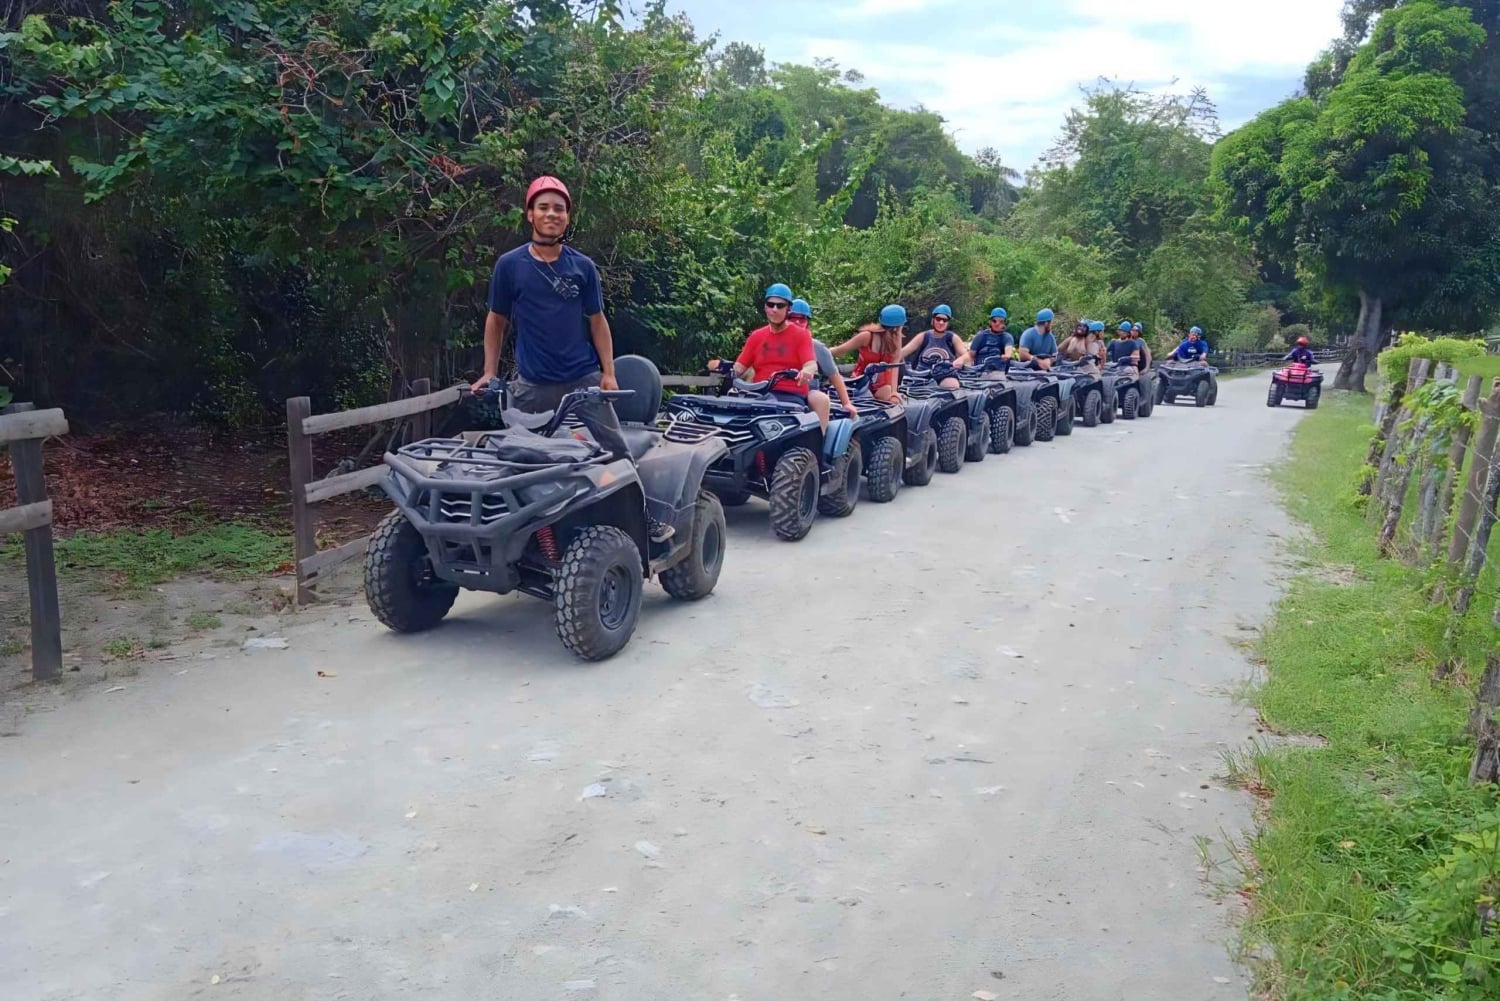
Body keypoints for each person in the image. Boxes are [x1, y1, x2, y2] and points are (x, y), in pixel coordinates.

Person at [474, 175, 626, 452]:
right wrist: (489, 372)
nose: (552, 214)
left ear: (567, 218)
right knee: (521, 456)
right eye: (543, 207)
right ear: (530, 214)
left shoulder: (583, 266)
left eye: (559, 208)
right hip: (533, 384)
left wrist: (609, 373)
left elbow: (597, 321)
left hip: (583, 379)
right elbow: (496, 320)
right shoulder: (509, 265)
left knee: (617, 452)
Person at [713, 283, 825, 430]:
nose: (774, 309)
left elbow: (810, 364)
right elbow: (739, 368)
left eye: (780, 306)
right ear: (765, 307)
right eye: (771, 305)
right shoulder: (756, 336)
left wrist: (806, 372)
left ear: (788, 309)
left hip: (789, 397)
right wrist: (719, 367)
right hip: (758, 396)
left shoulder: (802, 335)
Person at [789, 298, 860, 418]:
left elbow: (835, 376)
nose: (796, 322)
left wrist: (846, 403)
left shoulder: (817, 347)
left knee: (820, 399)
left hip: (807, 396)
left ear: (807, 322)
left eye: (801, 319)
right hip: (779, 393)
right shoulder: (774, 343)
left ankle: (821, 429)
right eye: (792, 318)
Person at [828, 304, 905, 404]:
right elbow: (839, 350)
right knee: (866, 400)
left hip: (882, 383)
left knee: (891, 399)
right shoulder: (867, 336)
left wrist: (894, 392)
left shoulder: (896, 339)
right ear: (898, 327)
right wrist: (819, 353)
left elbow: (894, 365)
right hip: (860, 381)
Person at [899, 304, 968, 387]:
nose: (941, 322)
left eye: (944, 320)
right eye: (938, 319)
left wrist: (961, 360)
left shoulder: (952, 338)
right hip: (922, 374)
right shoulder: (923, 336)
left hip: (945, 374)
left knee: (952, 385)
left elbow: (967, 356)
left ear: (948, 323)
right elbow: (903, 352)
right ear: (933, 320)